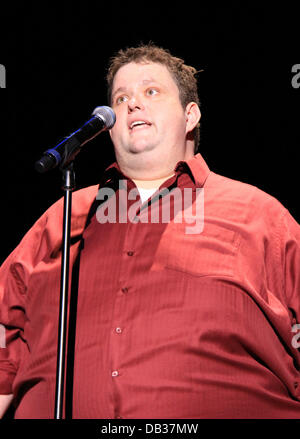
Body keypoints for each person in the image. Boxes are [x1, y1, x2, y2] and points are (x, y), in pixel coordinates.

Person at [0, 43, 300, 419]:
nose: (132, 104)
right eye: (120, 97)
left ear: (190, 116)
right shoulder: (60, 218)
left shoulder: (261, 216)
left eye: (151, 92)